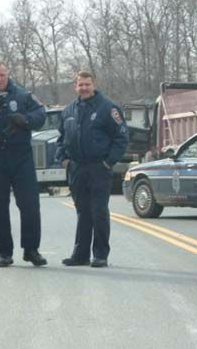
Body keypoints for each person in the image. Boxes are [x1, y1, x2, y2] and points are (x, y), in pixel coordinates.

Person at [0, 59, 47, 267]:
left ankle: (31, 250)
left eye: (2, 75)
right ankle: (4, 252)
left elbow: (41, 115)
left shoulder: (22, 95)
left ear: (7, 74)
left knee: (30, 205)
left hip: (20, 156)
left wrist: (25, 120)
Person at [56, 71, 129, 268]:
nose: (84, 88)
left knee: (98, 211)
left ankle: (100, 254)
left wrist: (108, 162)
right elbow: (61, 138)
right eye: (81, 85)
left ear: (94, 84)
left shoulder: (108, 108)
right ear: (75, 86)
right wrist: (64, 160)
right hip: (76, 168)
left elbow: (121, 137)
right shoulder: (69, 110)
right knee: (82, 212)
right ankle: (80, 255)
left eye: (87, 84)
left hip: (99, 167)